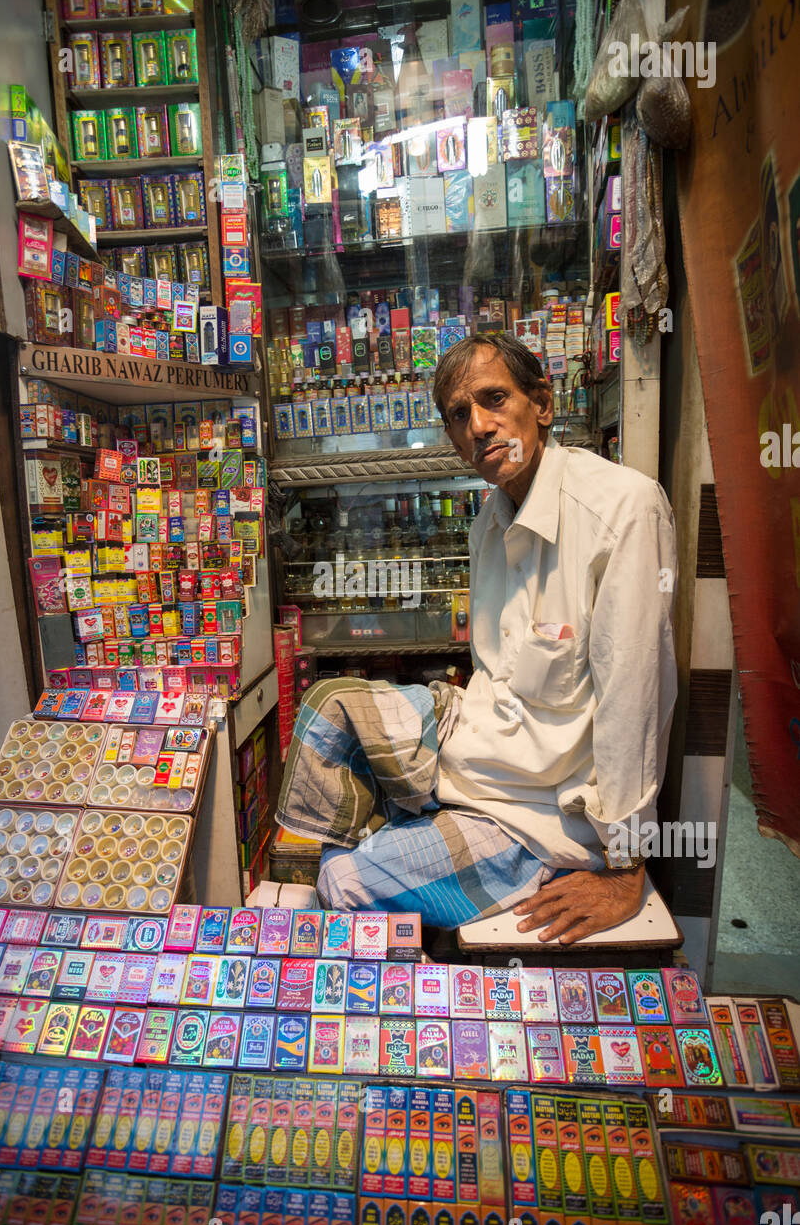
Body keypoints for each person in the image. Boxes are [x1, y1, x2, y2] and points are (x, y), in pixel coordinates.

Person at [276, 334, 678, 946]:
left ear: (542, 404)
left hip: (540, 810)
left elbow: (637, 703)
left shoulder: (622, 508)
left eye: (495, 399)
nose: (481, 426)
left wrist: (625, 867)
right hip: (487, 745)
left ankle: (482, 861)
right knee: (326, 708)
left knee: (342, 884)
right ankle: (398, 838)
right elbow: (495, 674)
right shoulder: (489, 521)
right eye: (460, 415)